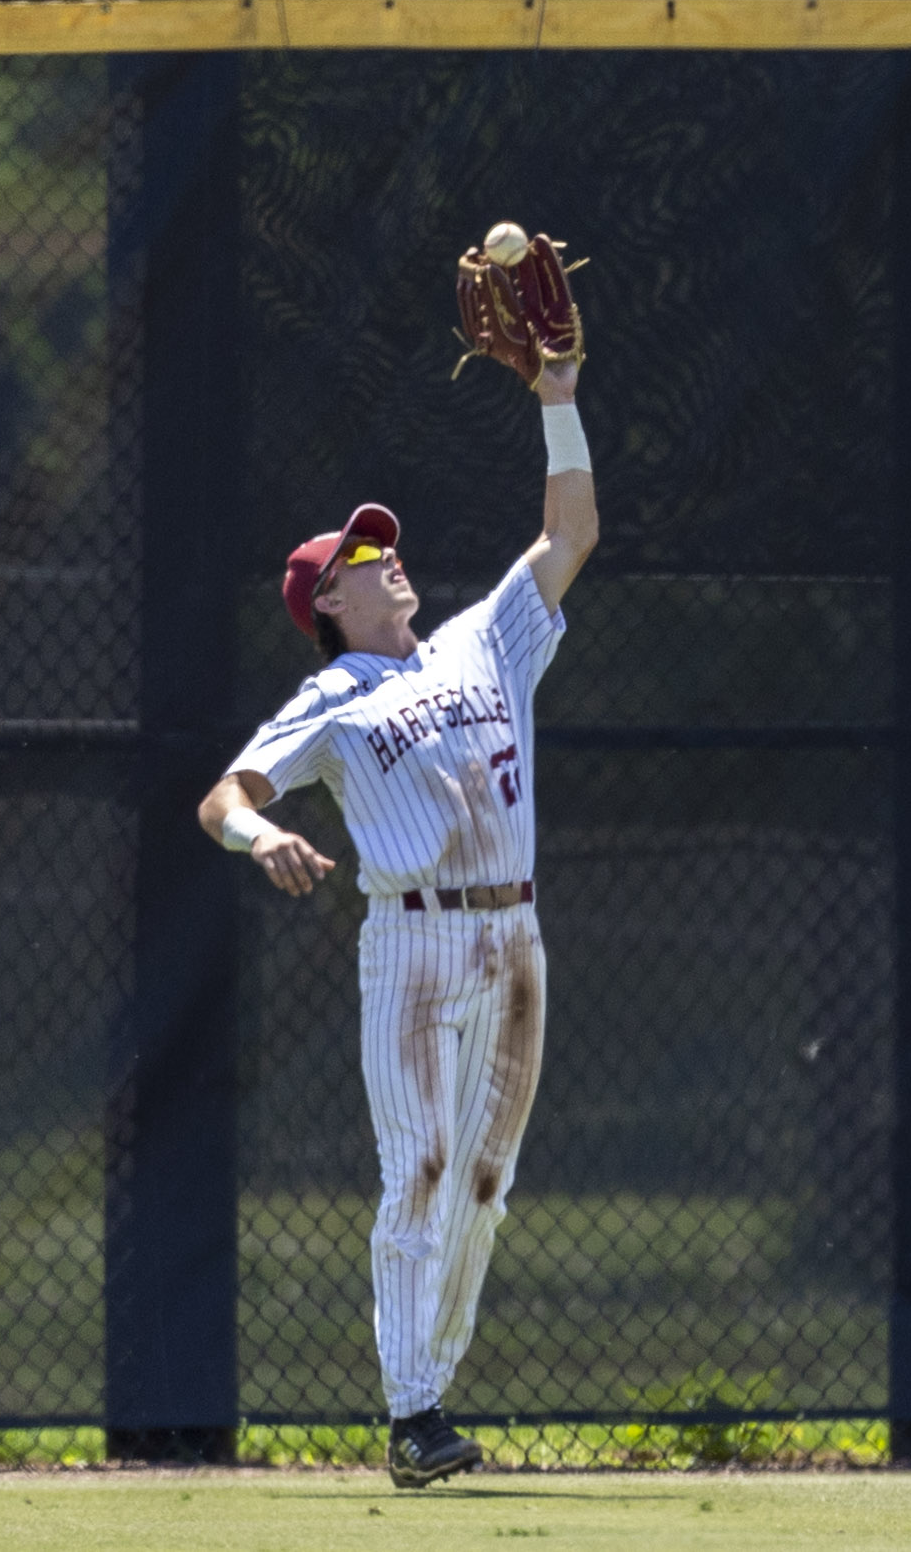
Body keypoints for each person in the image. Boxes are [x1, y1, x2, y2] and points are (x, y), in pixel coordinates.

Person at [197, 360, 596, 1487]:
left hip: (516, 943)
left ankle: (434, 1389)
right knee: (416, 1166)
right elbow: (223, 797)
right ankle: (412, 1410)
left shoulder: (484, 639)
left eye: (383, 547)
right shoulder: (332, 700)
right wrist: (261, 838)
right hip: (413, 948)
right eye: (363, 559)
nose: (388, 559)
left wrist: (556, 393)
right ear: (327, 603)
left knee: (485, 1184)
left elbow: (570, 534)